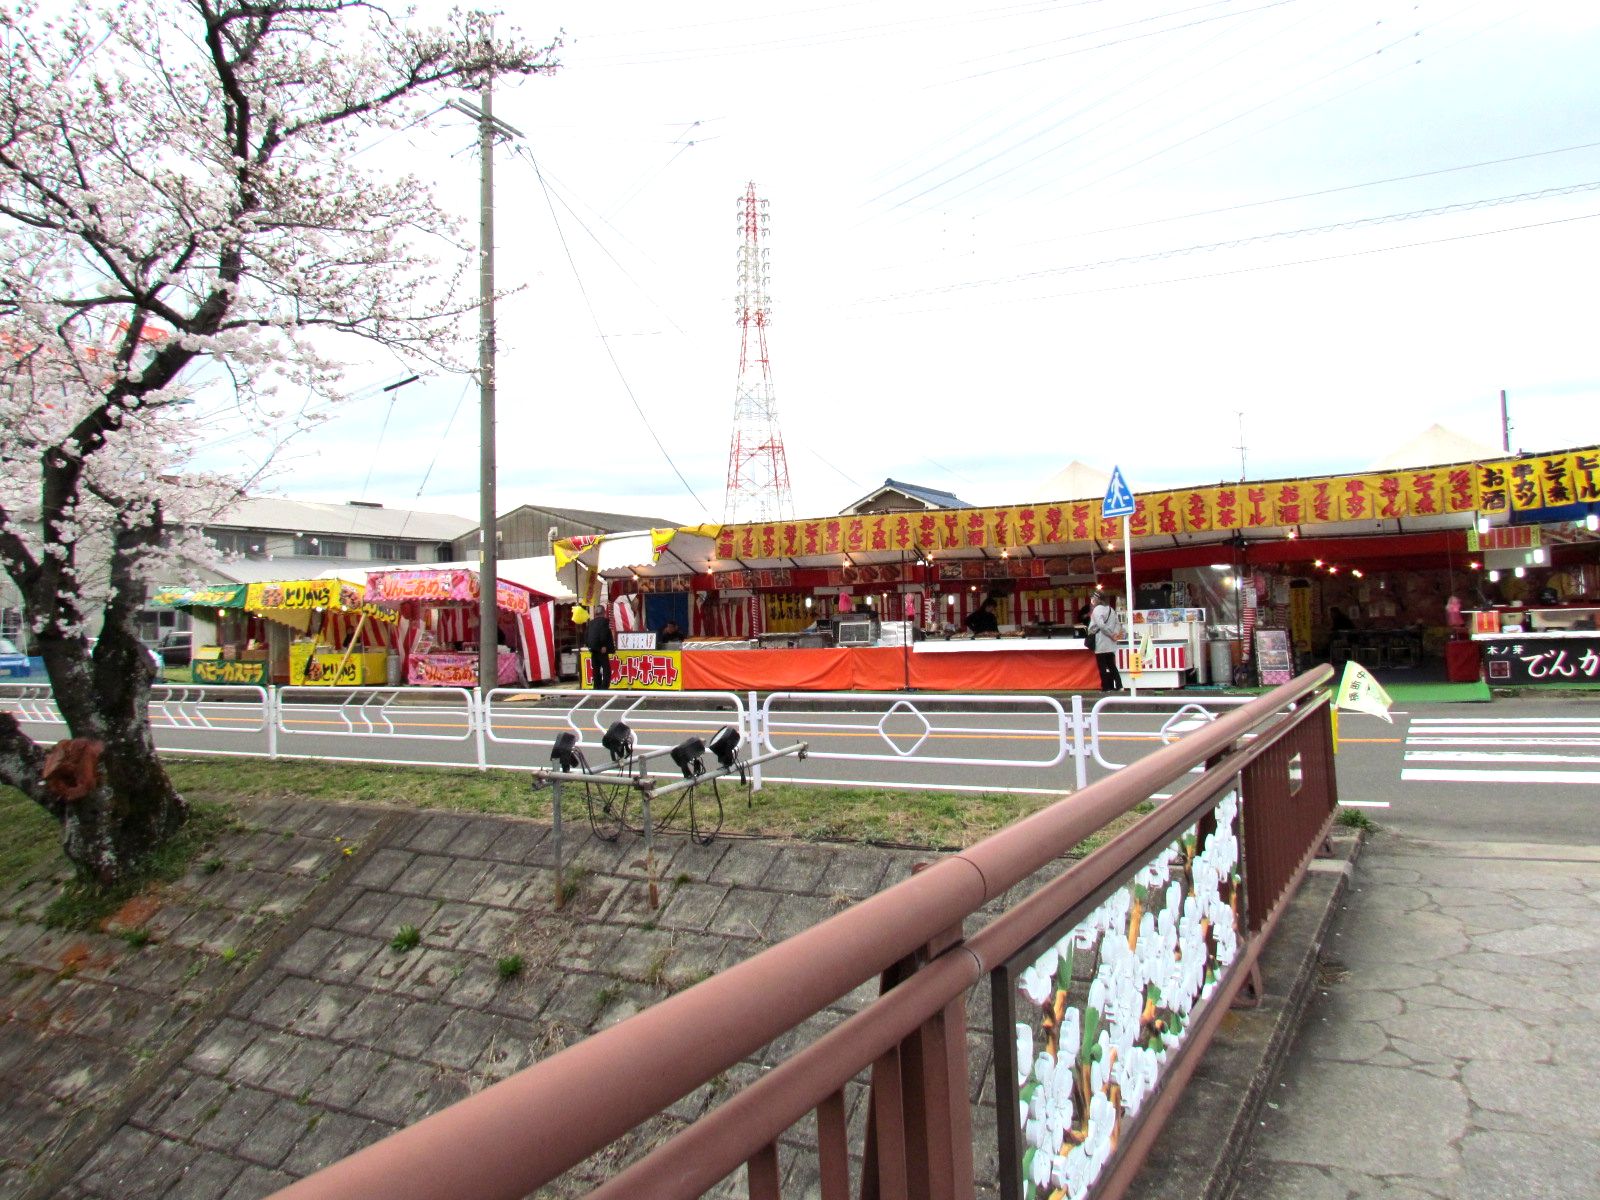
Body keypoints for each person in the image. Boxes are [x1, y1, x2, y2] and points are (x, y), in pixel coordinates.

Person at [1087, 590, 1123, 690]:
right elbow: (1117, 624)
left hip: (1101, 641)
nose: (1091, 600)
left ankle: (1106, 687)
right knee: (1112, 665)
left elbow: (1101, 625)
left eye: (1093, 598)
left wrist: (1110, 634)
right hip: (1110, 643)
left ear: (1097, 599)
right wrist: (1114, 634)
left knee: (1102, 666)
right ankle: (1119, 685)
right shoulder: (1111, 609)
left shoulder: (1097, 610)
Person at [584, 609, 615, 689]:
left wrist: (589, 646)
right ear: (604, 613)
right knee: (606, 668)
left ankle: (596, 686)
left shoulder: (591, 623)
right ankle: (604, 686)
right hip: (601, 648)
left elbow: (586, 635)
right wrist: (604, 645)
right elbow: (603, 633)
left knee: (596, 668)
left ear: (595, 613)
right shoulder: (604, 622)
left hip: (593, 648)